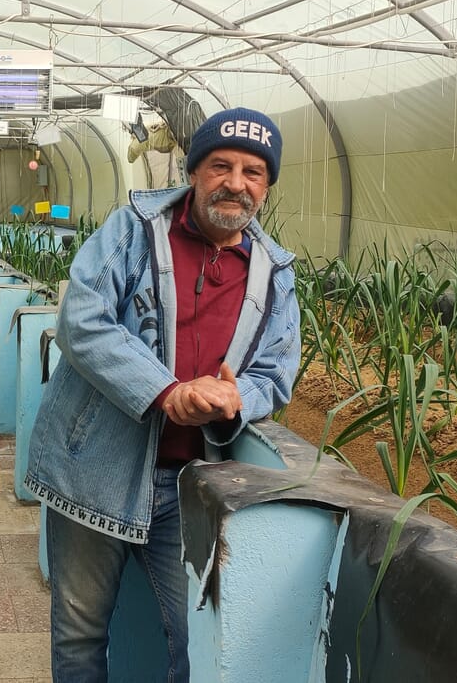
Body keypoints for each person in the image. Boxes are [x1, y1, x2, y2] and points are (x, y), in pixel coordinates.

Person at [23, 106, 300, 683]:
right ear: (193, 172)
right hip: (96, 468)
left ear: (267, 187)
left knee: (194, 641)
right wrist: (166, 392)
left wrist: (234, 400)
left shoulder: (273, 271)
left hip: (189, 482)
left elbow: (276, 370)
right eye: (220, 166)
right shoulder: (134, 231)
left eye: (253, 172)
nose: (235, 182)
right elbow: (82, 321)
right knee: (79, 632)